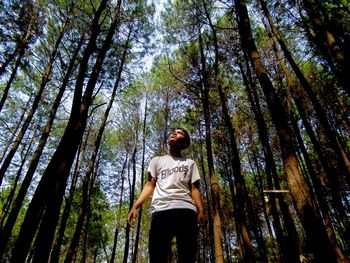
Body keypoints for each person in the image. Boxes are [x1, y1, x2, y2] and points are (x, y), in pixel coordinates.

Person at [127, 127, 206, 263]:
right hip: (161, 211)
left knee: (188, 256)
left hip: (186, 211)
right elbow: (149, 185)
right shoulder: (156, 161)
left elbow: (194, 189)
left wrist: (201, 210)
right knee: (157, 256)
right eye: (174, 131)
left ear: (184, 142)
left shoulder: (190, 163)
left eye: (180, 133)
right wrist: (135, 206)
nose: (175, 133)